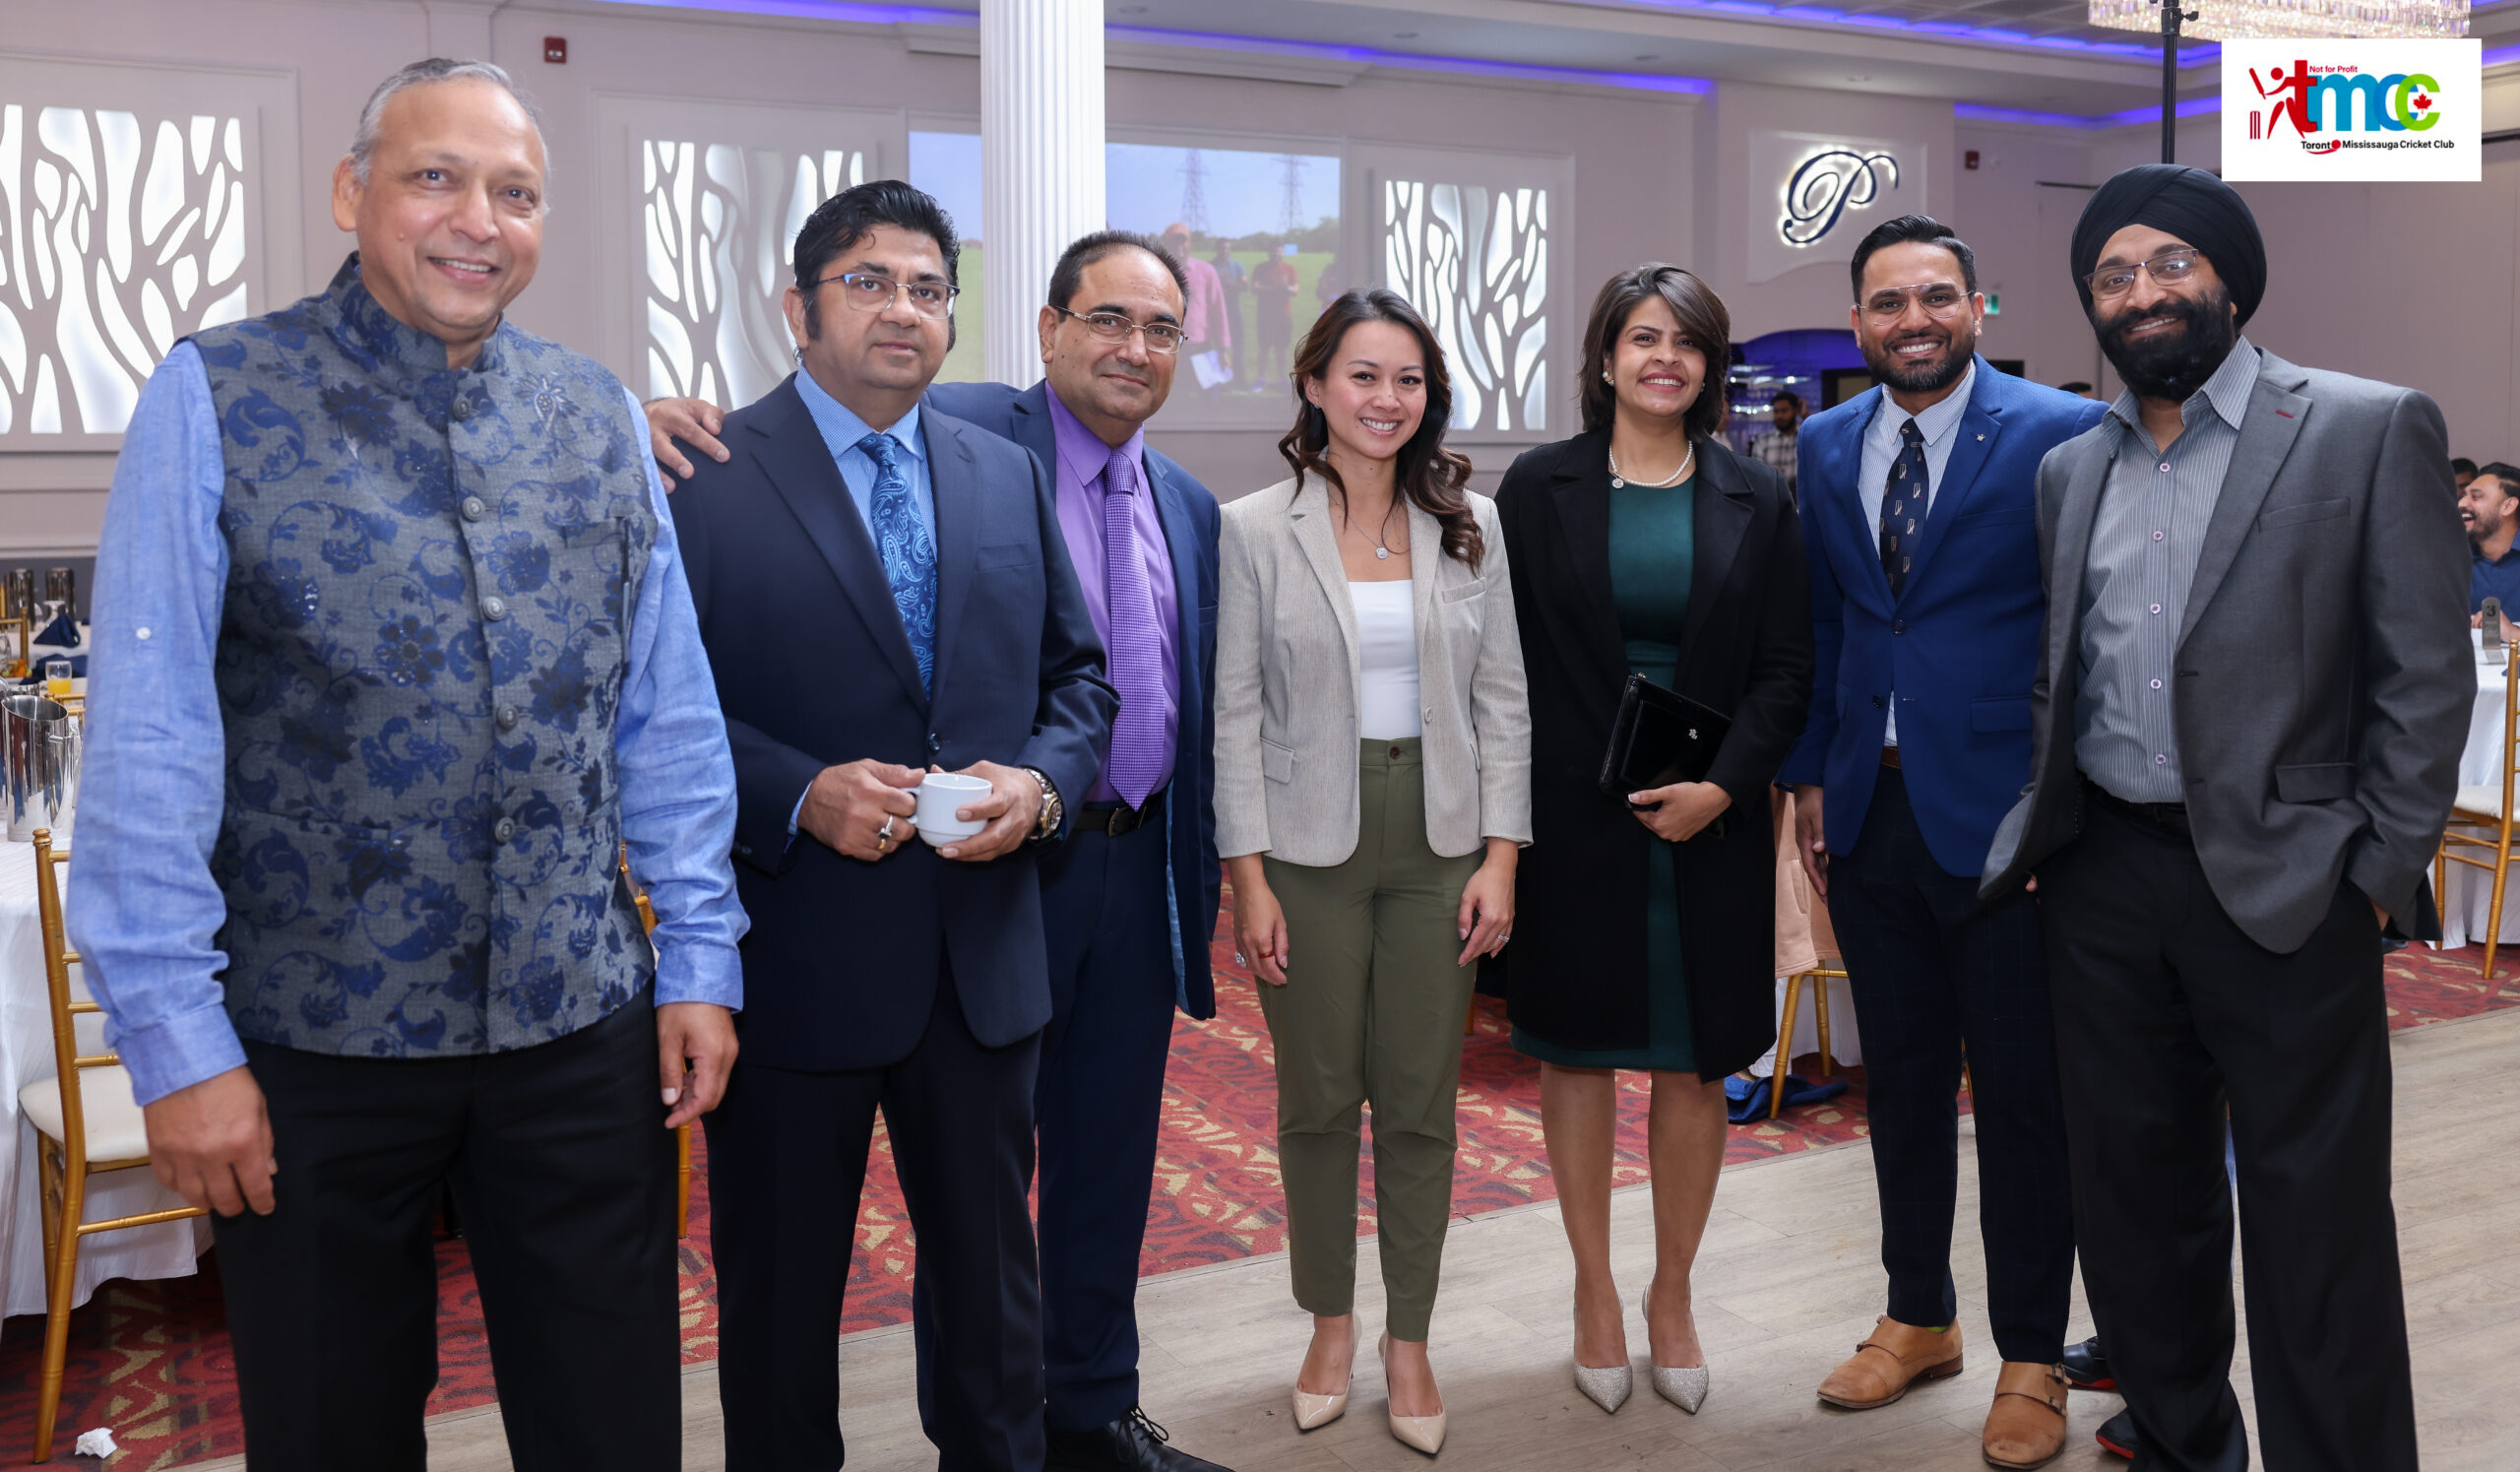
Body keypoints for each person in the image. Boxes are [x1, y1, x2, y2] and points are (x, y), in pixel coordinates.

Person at [65, 58, 746, 1471]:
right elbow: (149, 742)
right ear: (352, 191)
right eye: (437, 177)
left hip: (578, 1028)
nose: (477, 221)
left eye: (516, 193)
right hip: (311, 1048)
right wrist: (175, 1046)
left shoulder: (598, 413)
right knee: (333, 1429)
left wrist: (698, 955)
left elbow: (665, 711)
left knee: (616, 1422)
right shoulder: (217, 395)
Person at [647, 230, 1229, 1472]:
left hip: (981, 947)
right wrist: (798, 792)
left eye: (926, 288)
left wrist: (1042, 781)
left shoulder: (996, 472)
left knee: (989, 1289)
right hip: (798, 948)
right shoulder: (705, 468)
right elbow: (656, 703)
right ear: (797, 305)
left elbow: (1079, 679)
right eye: (867, 283)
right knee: (781, 1287)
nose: (900, 310)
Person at [1983, 162, 2472, 1472]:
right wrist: (2046, 832)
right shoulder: (2068, 469)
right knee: (2135, 1206)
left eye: (2169, 263)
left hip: (2294, 883)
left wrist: (2375, 871)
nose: (2141, 292)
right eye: (2112, 275)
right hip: (2103, 880)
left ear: (2230, 282)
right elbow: (2063, 669)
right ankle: (2186, 1437)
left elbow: (2426, 674)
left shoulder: (2365, 425)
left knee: (2319, 1219)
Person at [1778, 215, 2103, 1470]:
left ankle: (2030, 1353)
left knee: (2023, 1098)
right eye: (1886, 301)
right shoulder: (1824, 442)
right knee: (1900, 1085)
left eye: (1934, 296)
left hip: (2011, 822)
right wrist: (1813, 778)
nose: (1911, 319)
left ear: (1978, 305)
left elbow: (2086, 631)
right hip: (1870, 812)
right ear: (1857, 321)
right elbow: (1825, 621)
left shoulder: (2063, 431)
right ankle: (1919, 1314)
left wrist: (2060, 806)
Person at [1491, 265, 1811, 1422]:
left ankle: (1671, 1292)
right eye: (1641, 336)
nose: (1662, 356)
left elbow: (1786, 668)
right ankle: (1593, 1289)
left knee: (1692, 1063)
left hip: (1706, 822)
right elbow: (1500, 663)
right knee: (1575, 1054)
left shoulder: (1754, 495)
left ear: (1710, 365)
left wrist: (1722, 788)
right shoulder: (1537, 487)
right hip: (1573, 819)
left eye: (1685, 340)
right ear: (1605, 356)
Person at [1215, 288, 1529, 1456]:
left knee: (1418, 1104)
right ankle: (1329, 1325)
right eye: (1362, 375)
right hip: (1306, 848)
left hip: (1441, 843)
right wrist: (1246, 878)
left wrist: (1502, 856)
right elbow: (1232, 713)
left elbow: (1504, 700)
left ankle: (1409, 1337)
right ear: (1314, 385)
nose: (1386, 399)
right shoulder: (1253, 528)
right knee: (1314, 1101)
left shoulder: (1472, 524)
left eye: (1407, 380)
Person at [1162, 223, 1231, 388]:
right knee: (1176, 395)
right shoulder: (1158, 271)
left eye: (1183, 241)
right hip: (1168, 347)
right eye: (1174, 241)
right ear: (1167, 244)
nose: (1179, 246)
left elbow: (1218, 310)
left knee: (1208, 396)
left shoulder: (1206, 271)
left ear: (1190, 243)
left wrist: (1222, 349)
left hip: (1200, 347)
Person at [2463, 461, 2520, 615]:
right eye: (2463, 496)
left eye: (2475, 497)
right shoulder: (2451, 559)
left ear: (2508, 506)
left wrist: (2513, 629)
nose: (2461, 503)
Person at [1251, 243, 1300, 389]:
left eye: (1279, 252)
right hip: (1265, 316)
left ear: (1283, 253)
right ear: (1269, 253)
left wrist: (1285, 287)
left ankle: (1281, 379)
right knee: (1264, 348)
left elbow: (1295, 290)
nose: (1276, 255)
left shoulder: (1289, 268)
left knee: (1281, 348)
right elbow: (1254, 287)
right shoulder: (1260, 268)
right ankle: (1261, 379)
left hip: (1283, 316)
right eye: (1274, 252)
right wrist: (1273, 288)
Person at [1747, 388, 1803, 498]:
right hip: (1772, 500)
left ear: (1796, 410)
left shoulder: (1804, 437)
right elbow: (1755, 476)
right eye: (1776, 412)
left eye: (1784, 411)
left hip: (1801, 501)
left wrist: (1805, 415)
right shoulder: (1763, 440)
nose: (1779, 416)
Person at [1214, 242, 1249, 383]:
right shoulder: (1211, 266)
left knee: (1238, 344)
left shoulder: (1237, 266)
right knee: (1218, 345)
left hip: (1234, 311)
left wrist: (1230, 285)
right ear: (1217, 249)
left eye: (1227, 248)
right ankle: (1220, 377)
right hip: (1216, 312)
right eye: (1222, 248)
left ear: (1230, 250)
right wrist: (1220, 289)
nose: (1224, 250)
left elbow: (1245, 286)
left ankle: (1239, 377)